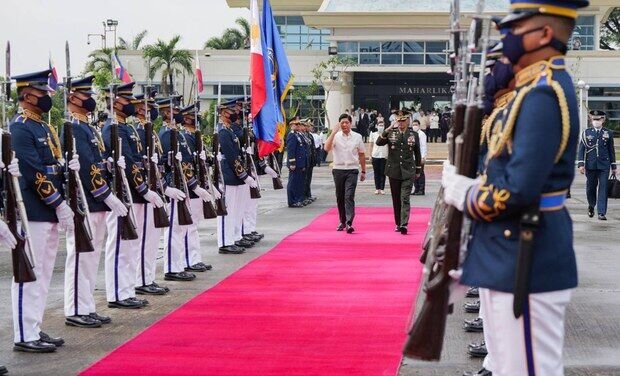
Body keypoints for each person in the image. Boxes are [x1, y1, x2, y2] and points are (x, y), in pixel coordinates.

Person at [442, 0, 588, 374]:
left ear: (545, 34)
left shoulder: (543, 94)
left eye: (514, 30)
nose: (505, 38)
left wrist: (463, 192)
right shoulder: (528, 92)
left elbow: (516, 191)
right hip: (508, 250)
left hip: (526, 252)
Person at [10, 69, 77, 352]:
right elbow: (34, 172)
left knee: (45, 272)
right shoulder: (20, 127)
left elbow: (54, 167)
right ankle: (24, 335)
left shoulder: (44, 127)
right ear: (26, 95)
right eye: (42, 93)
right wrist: (58, 203)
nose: (47, 97)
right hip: (34, 209)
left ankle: (34, 326)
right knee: (29, 272)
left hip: (48, 208)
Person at [63, 75, 124, 329]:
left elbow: (98, 162)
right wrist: (106, 194)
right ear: (73, 98)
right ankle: (75, 308)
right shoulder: (73, 127)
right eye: (85, 95)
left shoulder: (88, 126)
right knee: (80, 257)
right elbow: (87, 168)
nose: (90, 100)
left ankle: (86, 306)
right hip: (85, 201)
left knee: (91, 257)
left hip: (96, 202)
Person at [103, 82, 163, 309]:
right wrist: (143, 189)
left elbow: (137, 160)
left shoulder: (127, 128)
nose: (131, 104)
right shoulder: (111, 128)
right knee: (119, 246)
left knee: (129, 247)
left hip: (134, 193)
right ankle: (117, 293)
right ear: (115, 102)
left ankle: (126, 290)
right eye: (127, 100)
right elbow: (126, 165)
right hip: (123, 194)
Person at [132, 94, 172, 295]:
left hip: (155, 187)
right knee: (144, 238)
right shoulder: (138, 131)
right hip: (144, 190)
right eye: (148, 106)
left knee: (152, 239)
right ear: (138, 108)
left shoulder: (151, 132)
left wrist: (163, 186)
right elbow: (139, 164)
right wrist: (146, 189)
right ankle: (141, 280)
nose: (152, 110)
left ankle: (148, 277)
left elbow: (158, 164)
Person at [178, 104, 214, 271]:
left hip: (199, 184)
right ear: (186, 118)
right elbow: (186, 164)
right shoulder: (184, 137)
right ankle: (188, 260)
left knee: (194, 225)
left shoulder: (194, 136)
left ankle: (194, 258)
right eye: (193, 116)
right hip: (190, 187)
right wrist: (194, 186)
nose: (196, 118)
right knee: (188, 226)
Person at [216, 101, 255, 253]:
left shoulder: (229, 131)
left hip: (234, 176)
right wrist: (243, 174)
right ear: (224, 112)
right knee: (227, 211)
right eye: (232, 110)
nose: (235, 113)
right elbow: (231, 156)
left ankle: (233, 237)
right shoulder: (223, 132)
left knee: (235, 210)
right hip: (228, 175)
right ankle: (225, 243)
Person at [376, 110, 421, 234]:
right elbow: (379, 142)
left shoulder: (413, 134)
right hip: (394, 170)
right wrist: (388, 128)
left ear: (407, 121)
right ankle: (398, 222)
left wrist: (418, 170)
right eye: (399, 120)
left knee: (405, 197)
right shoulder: (391, 133)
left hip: (408, 170)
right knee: (396, 199)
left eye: (403, 120)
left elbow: (417, 153)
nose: (401, 123)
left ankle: (404, 224)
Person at [324, 113, 366, 233]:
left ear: (350, 124)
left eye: (346, 122)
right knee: (340, 196)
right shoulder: (336, 136)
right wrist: (333, 132)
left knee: (349, 196)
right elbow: (326, 148)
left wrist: (363, 171)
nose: (344, 125)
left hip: (352, 170)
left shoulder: (357, 137)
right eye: (342, 122)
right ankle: (342, 221)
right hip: (338, 170)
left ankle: (349, 222)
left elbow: (362, 154)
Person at [578, 110, 616, 220]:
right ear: (591, 120)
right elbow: (582, 149)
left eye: (598, 119)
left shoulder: (608, 133)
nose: (596, 121)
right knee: (591, 188)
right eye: (594, 119)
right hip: (590, 165)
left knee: (603, 188)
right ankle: (591, 205)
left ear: (603, 120)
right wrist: (581, 164)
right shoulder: (586, 133)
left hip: (604, 165)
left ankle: (601, 212)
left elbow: (611, 150)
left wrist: (614, 166)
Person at [286, 119, 307, 207]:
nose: (298, 126)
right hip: (295, 163)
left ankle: (298, 199)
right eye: (296, 124)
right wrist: (292, 163)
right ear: (291, 125)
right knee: (293, 182)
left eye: (298, 124)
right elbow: (291, 150)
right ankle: (292, 201)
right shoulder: (291, 135)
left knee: (298, 182)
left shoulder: (297, 135)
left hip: (300, 163)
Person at [369, 121, 388, 194]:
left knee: (383, 172)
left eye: (382, 125)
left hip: (384, 155)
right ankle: (377, 188)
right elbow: (371, 145)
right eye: (380, 125)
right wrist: (370, 155)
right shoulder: (373, 134)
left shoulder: (386, 134)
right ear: (377, 126)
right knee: (376, 172)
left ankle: (382, 188)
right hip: (375, 155)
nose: (381, 126)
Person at [411, 119, 428, 195]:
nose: (414, 126)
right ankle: (416, 189)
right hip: (413, 157)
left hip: (420, 156)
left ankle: (421, 189)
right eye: (413, 125)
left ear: (419, 125)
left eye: (416, 125)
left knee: (420, 172)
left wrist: (423, 157)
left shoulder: (421, 134)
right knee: (414, 173)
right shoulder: (412, 134)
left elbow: (423, 146)